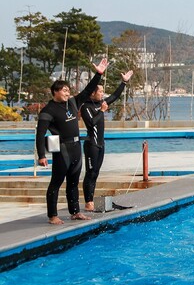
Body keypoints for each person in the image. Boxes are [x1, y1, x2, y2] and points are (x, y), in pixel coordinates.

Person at [35, 58, 108, 224]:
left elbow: (89, 88)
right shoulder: (48, 110)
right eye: (64, 91)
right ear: (55, 92)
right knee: (56, 182)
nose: (67, 93)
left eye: (68, 90)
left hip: (76, 146)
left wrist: (99, 74)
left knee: (74, 182)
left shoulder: (74, 102)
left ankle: (75, 212)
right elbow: (40, 134)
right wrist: (41, 155)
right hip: (61, 148)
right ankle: (52, 215)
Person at [80, 68, 133, 212]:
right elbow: (91, 123)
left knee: (96, 173)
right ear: (92, 93)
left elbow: (115, 96)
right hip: (91, 144)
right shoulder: (86, 107)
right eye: (100, 92)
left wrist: (124, 82)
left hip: (100, 144)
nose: (103, 94)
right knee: (90, 173)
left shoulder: (100, 103)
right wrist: (102, 111)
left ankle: (91, 199)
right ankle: (88, 202)